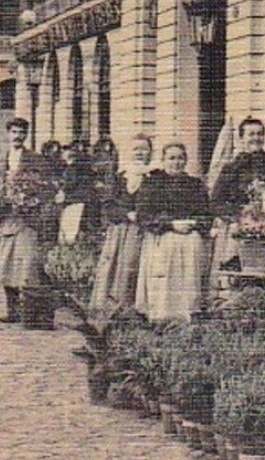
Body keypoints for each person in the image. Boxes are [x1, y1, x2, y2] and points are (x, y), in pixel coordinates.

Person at [0, 118, 60, 324]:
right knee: (5, 265)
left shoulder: (36, 160)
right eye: (14, 132)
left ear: (26, 135)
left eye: (21, 132)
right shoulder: (0, 162)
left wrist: (32, 200)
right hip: (5, 220)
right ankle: (12, 310)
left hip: (27, 221)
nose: (17, 136)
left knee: (27, 265)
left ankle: (29, 309)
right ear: (8, 134)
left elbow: (48, 188)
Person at [134, 142, 213, 323]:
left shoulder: (195, 185)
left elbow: (206, 215)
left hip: (190, 237)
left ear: (185, 160)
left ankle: (189, 313)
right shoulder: (152, 184)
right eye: (171, 158)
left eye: (180, 158)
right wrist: (170, 224)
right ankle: (162, 315)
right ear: (163, 160)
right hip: (162, 235)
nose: (176, 162)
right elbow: (144, 215)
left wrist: (193, 223)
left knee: (193, 248)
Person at [210, 117, 265, 272]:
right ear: (241, 138)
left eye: (259, 134)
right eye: (251, 134)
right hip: (239, 232)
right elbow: (215, 202)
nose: (256, 138)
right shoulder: (231, 169)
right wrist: (238, 214)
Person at [89, 138, 151, 318]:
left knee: (136, 268)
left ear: (150, 153)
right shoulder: (118, 177)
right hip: (120, 231)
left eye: (144, 149)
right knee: (116, 268)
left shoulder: (153, 177)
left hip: (144, 231)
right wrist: (126, 214)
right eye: (135, 149)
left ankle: (135, 310)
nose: (139, 153)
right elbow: (108, 205)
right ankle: (112, 309)